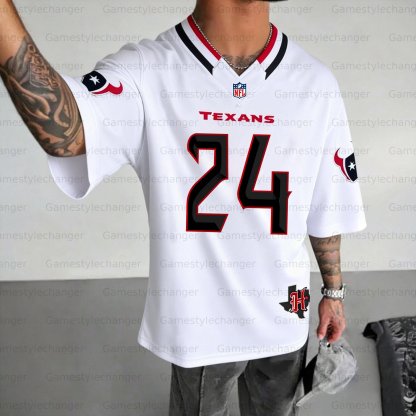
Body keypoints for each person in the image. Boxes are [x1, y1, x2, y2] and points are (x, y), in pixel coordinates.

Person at [0, 0, 367, 414]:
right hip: (203, 325)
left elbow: (326, 203)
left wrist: (333, 292)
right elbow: (65, 132)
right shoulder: (148, 70)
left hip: (285, 313)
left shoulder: (316, 82)